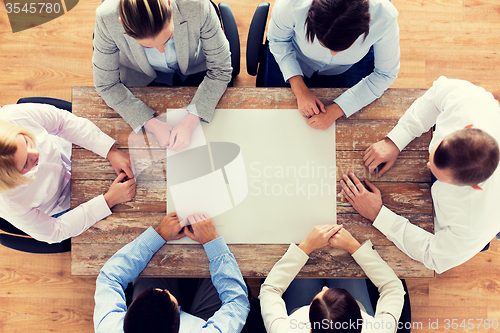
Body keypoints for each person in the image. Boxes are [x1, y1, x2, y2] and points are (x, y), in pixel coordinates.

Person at [340, 76, 500, 273]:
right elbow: (436, 95)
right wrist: (396, 140)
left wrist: (378, 214)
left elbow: (433, 255)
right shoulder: (468, 103)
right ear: (466, 127)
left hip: (478, 221)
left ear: (473, 186)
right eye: (433, 154)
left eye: (438, 174)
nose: (426, 164)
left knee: (468, 246)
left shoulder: (474, 223)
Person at [93, 0, 232, 152]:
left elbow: (220, 69)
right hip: (141, 78)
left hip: (194, 69)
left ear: (169, 4)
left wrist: (190, 121)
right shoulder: (106, 17)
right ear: (122, 23)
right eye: (147, 46)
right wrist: (150, 123)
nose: (161, 51)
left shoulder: (196, 4)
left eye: (167, 38)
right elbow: (107, 85)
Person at [0, 103, 136, 243]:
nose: (36, 153)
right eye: (25, 163)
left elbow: (61, 121)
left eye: (27, 141)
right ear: (12, 179)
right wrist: (109, 200)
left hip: (69, 149)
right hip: (62, 204)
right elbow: (55, 231)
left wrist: (110, 151)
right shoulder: (9, 204)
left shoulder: (12, 116)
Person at [94, 212, 250, 333]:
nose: (165, 291)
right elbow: (237, 303)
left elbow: (109, 277)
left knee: (151, 265)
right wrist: (212, 243)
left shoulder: (109, 327)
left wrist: (158, 235)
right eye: (166, 294)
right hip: (202, 323)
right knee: (229, 269)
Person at [265, 0, 400, 130]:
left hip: (350, 66)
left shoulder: (385, 16)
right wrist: (300, 90)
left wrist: (337, 110)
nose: (333, 54)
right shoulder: (291, 4)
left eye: (343, 48)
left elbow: (385, 74)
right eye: (323, 44)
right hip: (294, 55)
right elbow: (278, 40)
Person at [259, 224, 405, 332]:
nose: (325, 288)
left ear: (310, 330)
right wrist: (353, 246)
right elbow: (394, 289)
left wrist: (306, 246)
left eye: (321, 294)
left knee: (302, 237)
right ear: (361, 320)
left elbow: (270, 290)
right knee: (343, 258)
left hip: (298, 313)